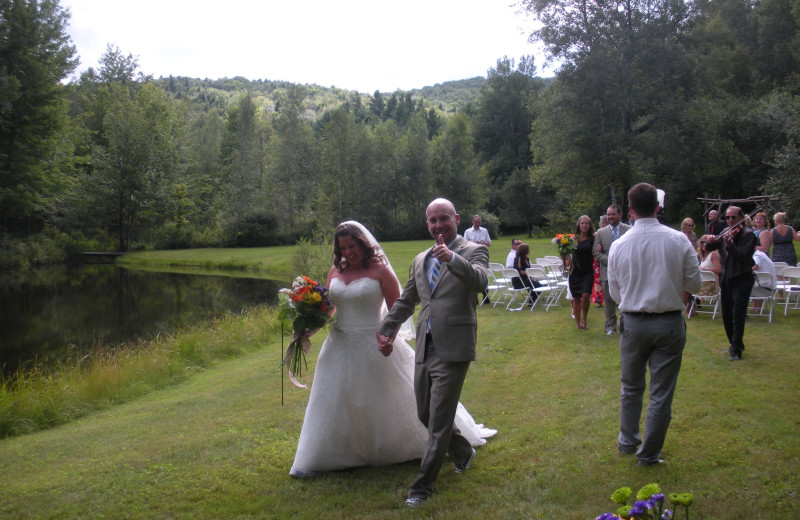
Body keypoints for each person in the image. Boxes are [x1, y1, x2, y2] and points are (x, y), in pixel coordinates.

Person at [290, 221, 495, 478]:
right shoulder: (335, 270)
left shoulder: (380, 271)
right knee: (335, 399)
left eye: (351, 246)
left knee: (396, 396)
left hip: (375, 342)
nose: (347, 253)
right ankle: (337, 452)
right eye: (342, 248)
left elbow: (398, 308)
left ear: (363, 245)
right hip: (339, 345)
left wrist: (388, 338)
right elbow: (331, 307)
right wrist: (308, 327)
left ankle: (430, 443)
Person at [377, 199, 490, 507]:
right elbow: (406, 300)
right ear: (426, 224)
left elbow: (481, 282)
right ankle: (464, 453)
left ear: (456, 218)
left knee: (438, 422)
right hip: (426, 346)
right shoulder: (420, 259)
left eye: (444, 219)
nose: (438, 225)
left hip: (455, 345)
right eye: (432, 220)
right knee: (425, 413)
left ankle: (421, 488)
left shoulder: (472, 250)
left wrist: (453, 258)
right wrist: (387, 328)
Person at [608, 182, 701, 466]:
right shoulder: (678, 239)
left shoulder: (619, 244)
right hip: (668, 322)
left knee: (631, 385)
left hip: (634, 322)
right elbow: (696, 283)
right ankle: (648, 454)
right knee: (661, 391)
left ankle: (628, 441)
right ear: (658, 207)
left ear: (630, 210)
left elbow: (614, 292)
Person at [704, 206, 756, 361]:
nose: (731, 220)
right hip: (727, 278)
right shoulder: (725, 232)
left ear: (741, 218)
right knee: (726, 314)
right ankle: (735, 344)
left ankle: (736, 350)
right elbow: (708, 247)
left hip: (742, 277)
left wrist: (730, 245)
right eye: (728, 217)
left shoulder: (748, 235)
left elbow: (741, 256)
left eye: (734, 217)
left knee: (737, 313)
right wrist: (709, 241)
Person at [593, 204, 631, 335]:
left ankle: (624, 325)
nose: (610, 217)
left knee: (625, 299)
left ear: (620, 215)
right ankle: (610, 326)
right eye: (608, 214)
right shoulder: (601, 232)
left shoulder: (629, 230)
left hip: (626, 272)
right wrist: (610, 260)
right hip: (607, 272)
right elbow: (596, 252)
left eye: (613, 214)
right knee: (609, 301)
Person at [567, 215, 595, 330]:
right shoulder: (573, 239)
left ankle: (585, 319)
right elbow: (568, 255)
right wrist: (566, 260)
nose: (584, 225)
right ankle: (578, 322)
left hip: (587, 271)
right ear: (578, 225)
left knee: (585, 295)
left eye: (586, 223)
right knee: (576, 298)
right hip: (575, 272)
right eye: (582, 223)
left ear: (590, 225)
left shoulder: (593, 238)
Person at [464, 214, 492, 303]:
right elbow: (464, 244)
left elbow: (489, 244)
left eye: (479, 222)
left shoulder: (484, 231)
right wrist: (473, 243)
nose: (477, 224)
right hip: (471, 255)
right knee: (472, 274)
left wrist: (485, 242)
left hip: (482, 255)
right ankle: (474, 296)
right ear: (472, 222)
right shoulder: (468, 232)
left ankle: (485, 295)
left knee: (484, 273)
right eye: (476, 222)